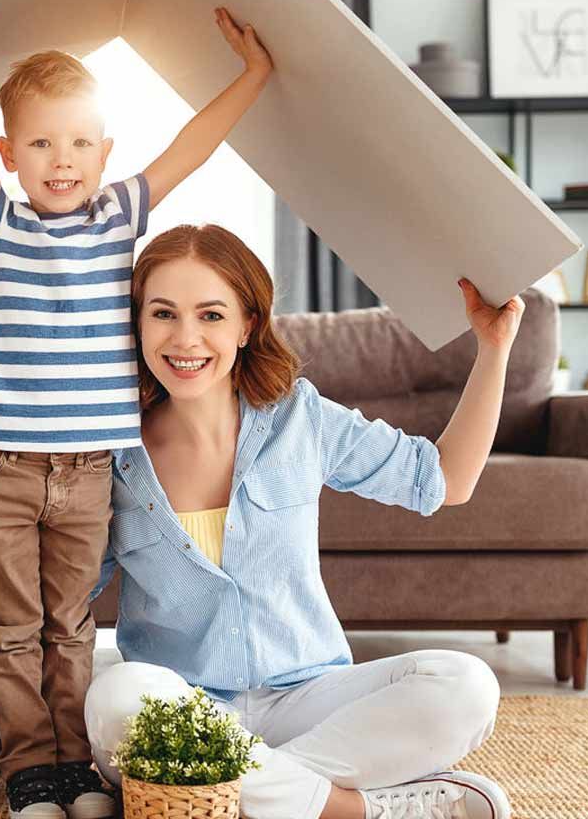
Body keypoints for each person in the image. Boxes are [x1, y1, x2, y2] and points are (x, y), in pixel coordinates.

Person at [0, 0, 272, 819]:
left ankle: (78, 768)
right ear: (14, 154)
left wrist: (252, 74)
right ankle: (29, 774)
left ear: (105, 151)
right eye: (43, 143)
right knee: (10, 632)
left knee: (72, 629)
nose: (63, 160)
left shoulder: (120, 214)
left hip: (89, 473)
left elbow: (191, 149)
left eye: (82, 142)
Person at [83, 224, 525, 819]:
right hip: (182, 705)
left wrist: (493, 348)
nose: (185, 338)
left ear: (247, 326)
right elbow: (63, 601)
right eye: (163, 313)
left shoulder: (298, 417)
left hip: (308, 697)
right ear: (137, 325)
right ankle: (352, 810)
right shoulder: (107, 453)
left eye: (211, 315)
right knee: (116, 694)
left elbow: (444, 480)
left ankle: (218, 796)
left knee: (465, 685)